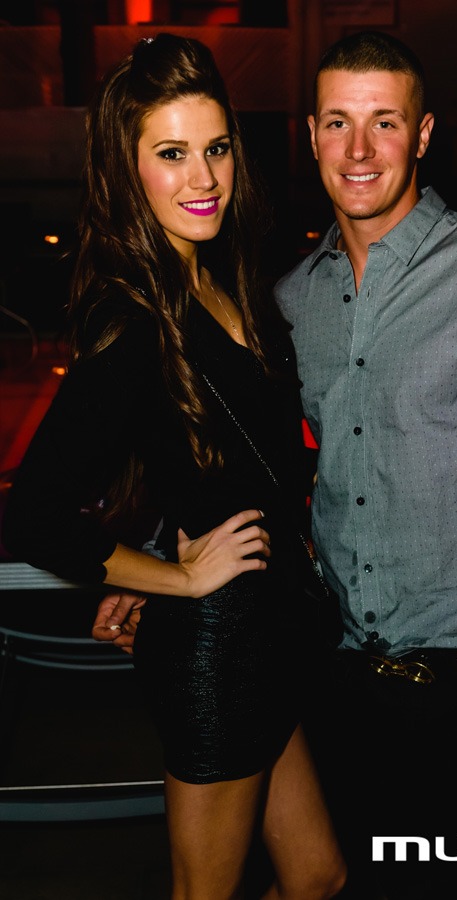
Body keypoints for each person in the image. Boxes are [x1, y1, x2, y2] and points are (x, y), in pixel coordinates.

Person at [93, 31, 457, 898]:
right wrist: (159, 565)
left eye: (384, 123)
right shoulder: (291, 302)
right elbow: (250, 465)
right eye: (338, 123)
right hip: (341, 688)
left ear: (424, 133)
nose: (359, 151)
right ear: (312, 134)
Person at [1, 33, 346, 900]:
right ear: (128, 170)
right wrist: (174, 580)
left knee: (316, 877)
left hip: (270, 630)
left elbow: (216, 459)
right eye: (171, 154)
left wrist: (154, 555)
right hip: (217, 648)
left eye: (216, 148)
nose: (203, 178)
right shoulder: (131, 319)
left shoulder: (224, 276)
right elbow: (34, 514)